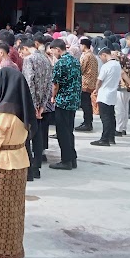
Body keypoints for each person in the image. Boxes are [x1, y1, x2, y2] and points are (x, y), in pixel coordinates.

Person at [0, 68, 34, 258]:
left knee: (0, 210)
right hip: (20, 159)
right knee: (16, 210)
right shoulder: (24, 108)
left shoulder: (4, 111)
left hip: (4, 162)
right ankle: (14, 252)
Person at [19, 38, 50, 179]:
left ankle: (30, 167)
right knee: (38, 136)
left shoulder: (29, 60)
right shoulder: (45, 59)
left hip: (31, 103)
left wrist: (31, 104)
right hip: (41, 104)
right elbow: (49, 82)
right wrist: (42, 105)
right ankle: (37, 166)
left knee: (27, 136)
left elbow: (29, 82)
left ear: (25, 48)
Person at [49, 39, 81, 170]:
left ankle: (66, 160)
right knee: (69, 130)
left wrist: (53, 97)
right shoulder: (75, 61)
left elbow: (55, 84)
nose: (53, 55)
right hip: (73, 100)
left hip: (63, 100)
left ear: (58, 49)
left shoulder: (60, 63)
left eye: (53, 52)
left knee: (62, 132)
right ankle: (72, 158)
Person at [91, 47, 121, 146]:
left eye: (101, 57)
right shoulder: (117, 64)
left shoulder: (106, 66)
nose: (101, 60)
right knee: (111, 116)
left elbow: (99, 80)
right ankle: (111, 137)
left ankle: (104, 139)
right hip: (112, 93)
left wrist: (96, 89)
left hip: (104, 93)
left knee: (105, 118)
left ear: (104, 55)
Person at [75, 38, 98, 132]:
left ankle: (87, 123)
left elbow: (80, 69)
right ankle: (87, 122)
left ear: (83, 45)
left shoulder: (85, 56)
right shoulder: (93, 55)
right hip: (91, 82)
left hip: (85, 83)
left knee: (85, 105)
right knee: (87, 103)